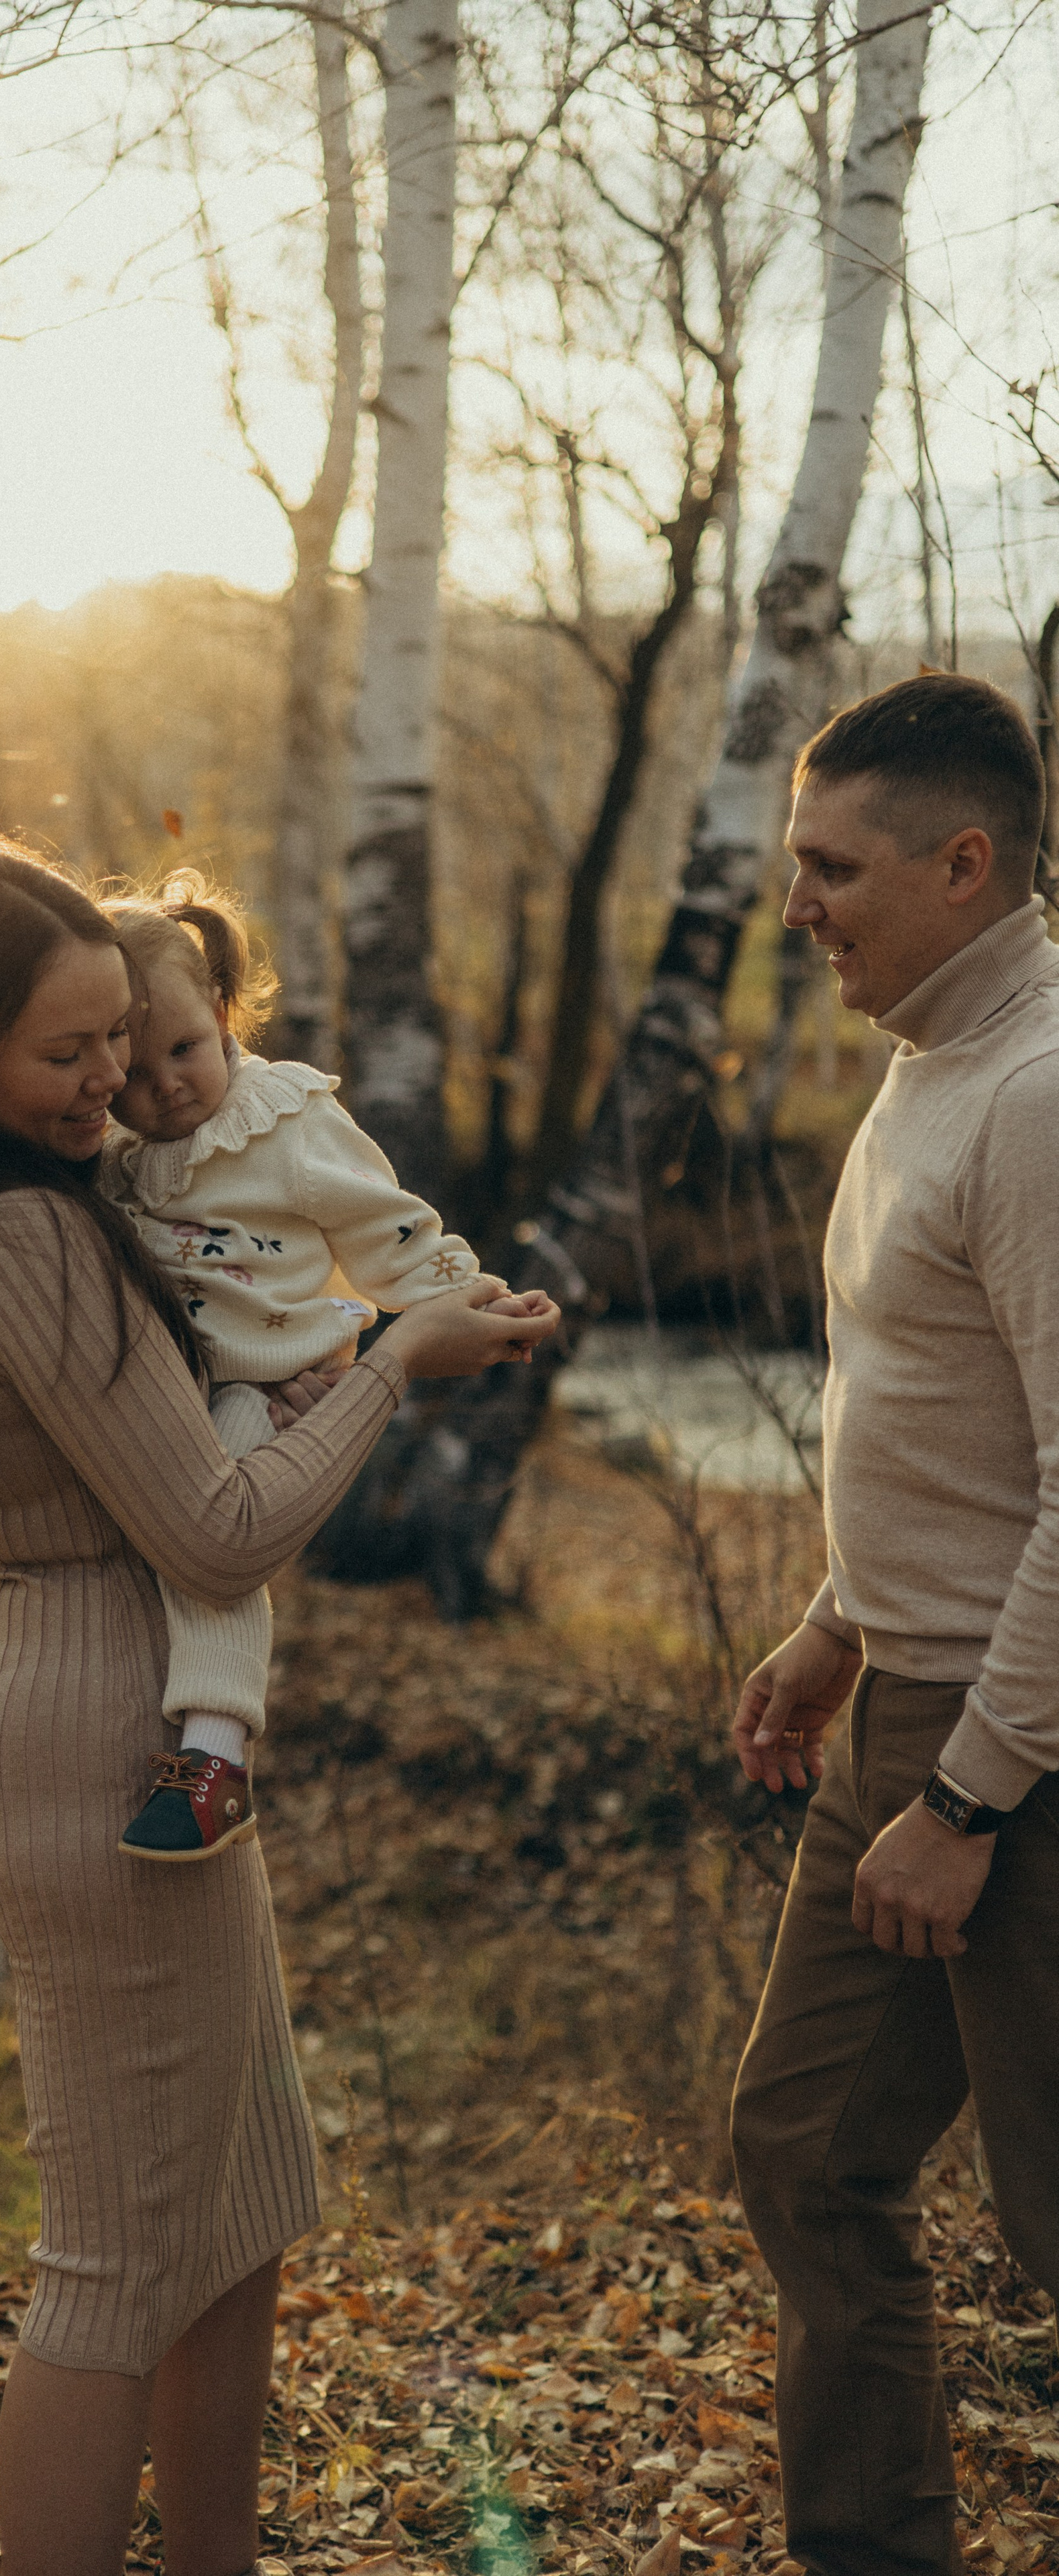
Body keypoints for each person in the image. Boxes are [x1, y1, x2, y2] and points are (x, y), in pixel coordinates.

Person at [0, 834, 561, 2576]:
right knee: (113, 2260)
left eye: (123, 1037)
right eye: (65, 1053)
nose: (114, 1083)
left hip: (128, 1726)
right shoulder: (23, 1233)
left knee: (236, 2214)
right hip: (100, 1756)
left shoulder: (76, 1192)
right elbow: (218, 1528)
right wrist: (395, 1358)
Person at [727, 673, 1059, 2576]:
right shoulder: (931, 1052)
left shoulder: (1035, 1096)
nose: (801, 906)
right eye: (795, 862)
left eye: (832, 868)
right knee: (807, 2152)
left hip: (1014, 1745)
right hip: (906, 1712)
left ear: (966, 862)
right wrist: (839, 1620)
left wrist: (977, 1798)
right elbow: (952, 1426)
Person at [99, 873, 553, 1862]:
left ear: (221, 1015)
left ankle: (217, 1756)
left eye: (183, 1050)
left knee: (214, 1529)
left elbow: (385, 1227)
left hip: (268, 1383)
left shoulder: (282, 1121)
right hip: (171, 1382)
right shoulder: (118, 1147)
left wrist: (472, 1297)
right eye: (133, 1072)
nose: (165, 1087)